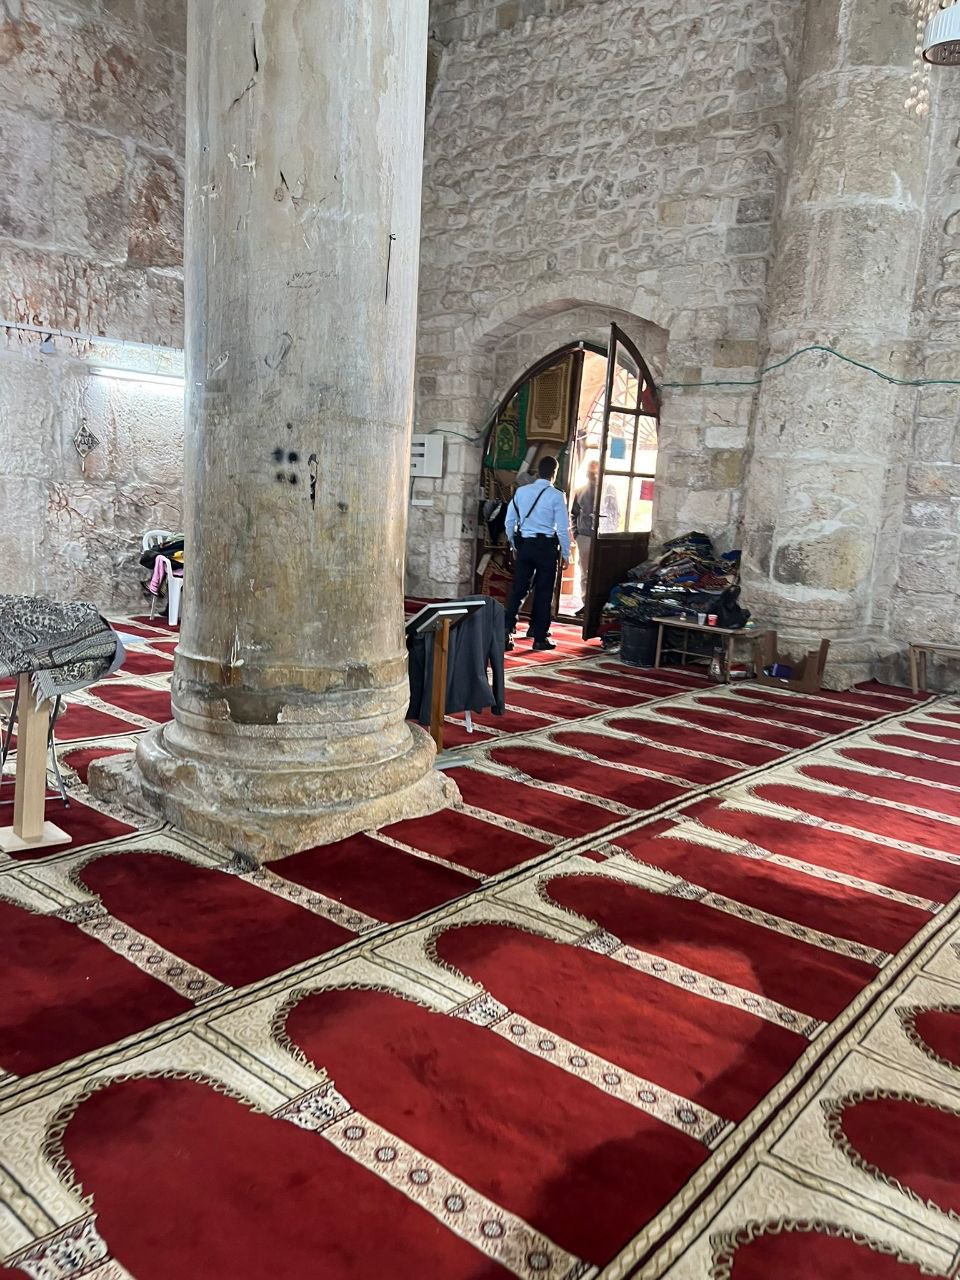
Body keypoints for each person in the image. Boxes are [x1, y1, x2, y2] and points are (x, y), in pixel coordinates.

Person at [503, 456, 571, 651]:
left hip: (525, 546)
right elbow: (563, 528)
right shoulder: (557, 495)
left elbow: (509, 521)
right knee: (544, 592)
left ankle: (504, 633)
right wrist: (566, 553)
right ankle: (539, 637)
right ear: (554, 473)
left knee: (519, 590)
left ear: (538, 471)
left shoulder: (521, 492)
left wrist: (514, 545)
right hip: (546, 548)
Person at [571, 459, 621, 615]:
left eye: (595, 471)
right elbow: (574, 514)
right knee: (585, 572)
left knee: (601, 572)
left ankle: (598, 606)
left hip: (603, 537)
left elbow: (615, 514)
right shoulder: (580, 491)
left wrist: (610, 535)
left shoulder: (609, 490)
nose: (592, 474)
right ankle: (586, 604)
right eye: (590, 471)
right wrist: (576, 533)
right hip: (585, 536)